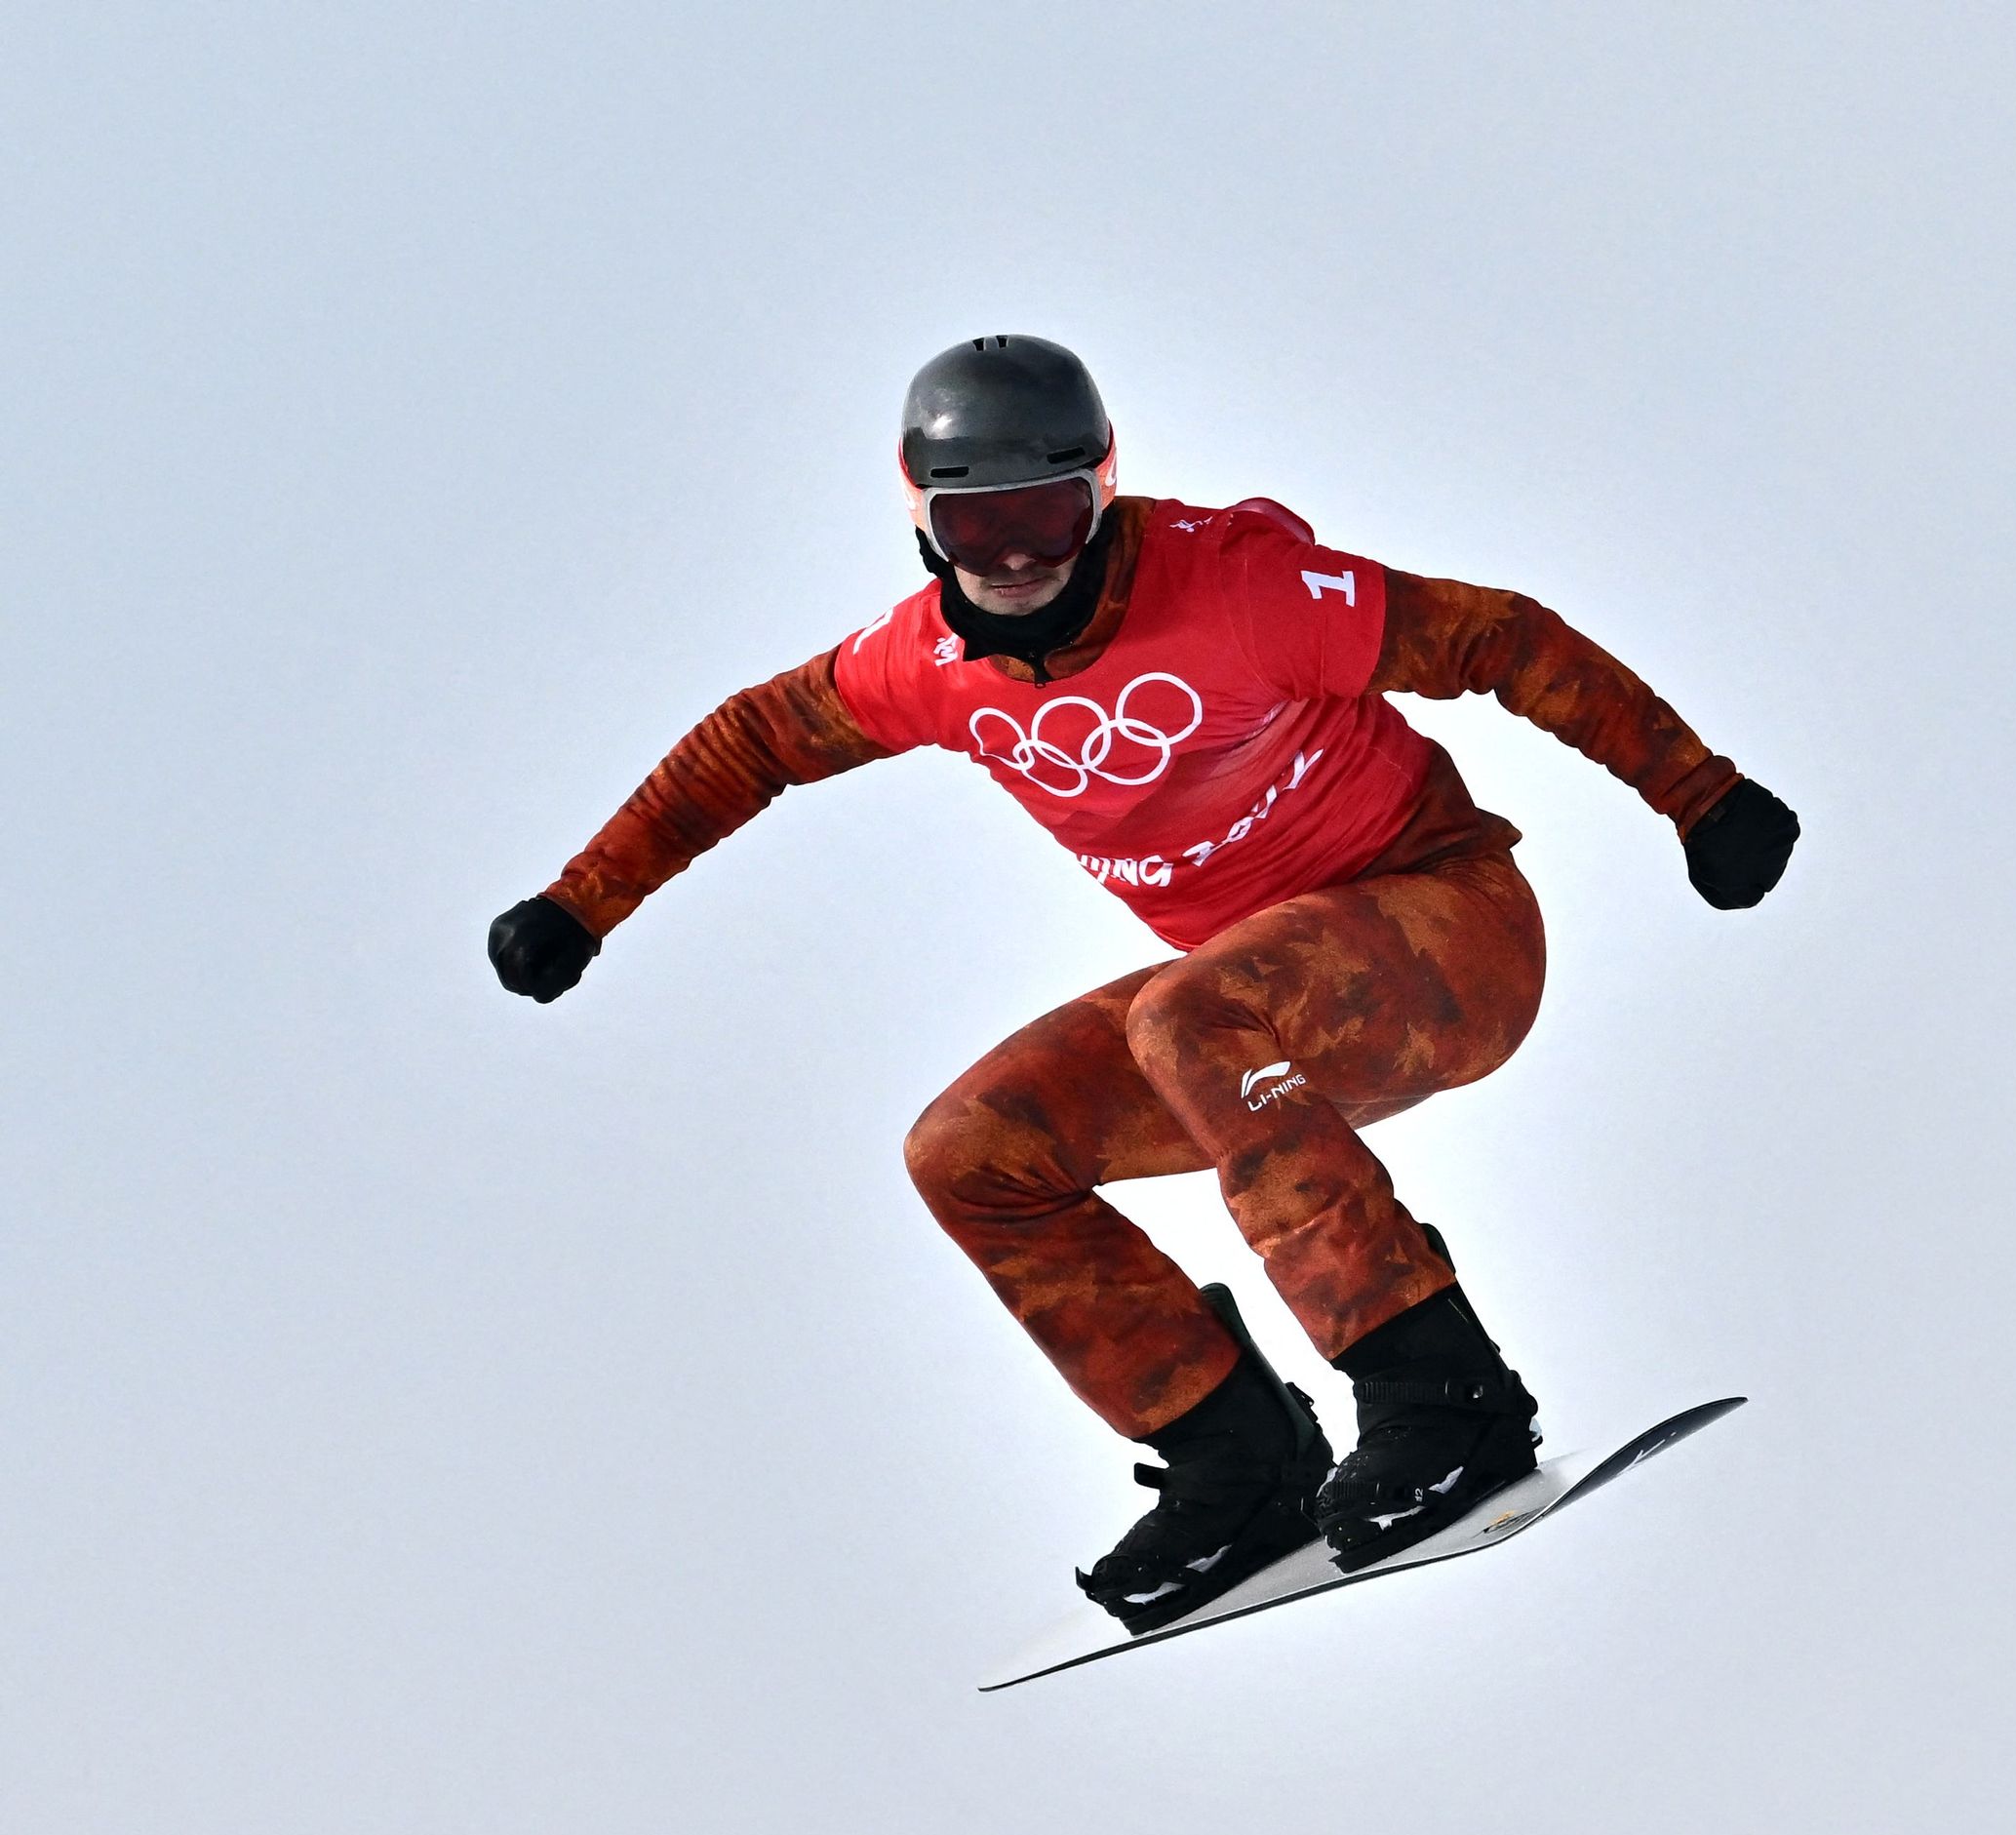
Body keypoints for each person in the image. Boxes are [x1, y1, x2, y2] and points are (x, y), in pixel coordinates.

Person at [489, 335, 1799, 1619]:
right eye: (975, 527)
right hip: (1253, 1009)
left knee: (1190, 1009)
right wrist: (579, 901)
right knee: (968, 1150)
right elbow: (753, 742)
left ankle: (1441, 1394)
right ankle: (1238, 1461)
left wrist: (1700, 795)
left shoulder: (1238, 589)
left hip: (1449, 935)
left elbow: (1500, 639)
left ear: (1100, 493)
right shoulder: (926, 670)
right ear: (921, 520)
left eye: (1046, 520)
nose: (1012, 562)